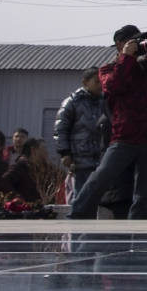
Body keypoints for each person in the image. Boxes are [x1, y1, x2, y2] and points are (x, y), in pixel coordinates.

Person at [68, 20, 147, 220]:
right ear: (120, 44)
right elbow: (115, 86)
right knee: (102, 177)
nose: (140, 44)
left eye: (141, 41)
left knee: (146, 189)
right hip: (125, 135)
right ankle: (77, 216)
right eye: (135, 42)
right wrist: (126, 58)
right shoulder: (107, 69)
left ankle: (137, 229)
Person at [52, 70, 110, 201]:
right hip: (81, 157)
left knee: (102, 196)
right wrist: (64, 152)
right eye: (96, 82)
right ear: (85, 83)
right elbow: (60, 128)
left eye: (102, 81)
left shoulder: (106, 101)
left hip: (103, 157)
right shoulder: (72, 102)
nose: (100, 85)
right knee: (82, 195)